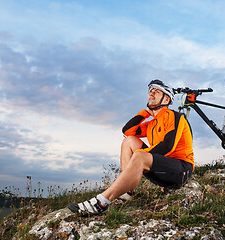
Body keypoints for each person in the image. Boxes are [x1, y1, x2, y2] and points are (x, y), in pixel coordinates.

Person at [68, 79, 194, 216]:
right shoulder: (152, 123)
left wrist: (138, 157)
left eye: (156, 92)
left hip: (181, 170)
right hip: (161, 169)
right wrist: (145, 113)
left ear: (166, 99)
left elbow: (167, 147)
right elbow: (127, 131)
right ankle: (126, 190)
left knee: (140, 155)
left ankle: (101, 203)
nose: (151, 94)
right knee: (129, 141)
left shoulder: (176, 117)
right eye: (150, 92)